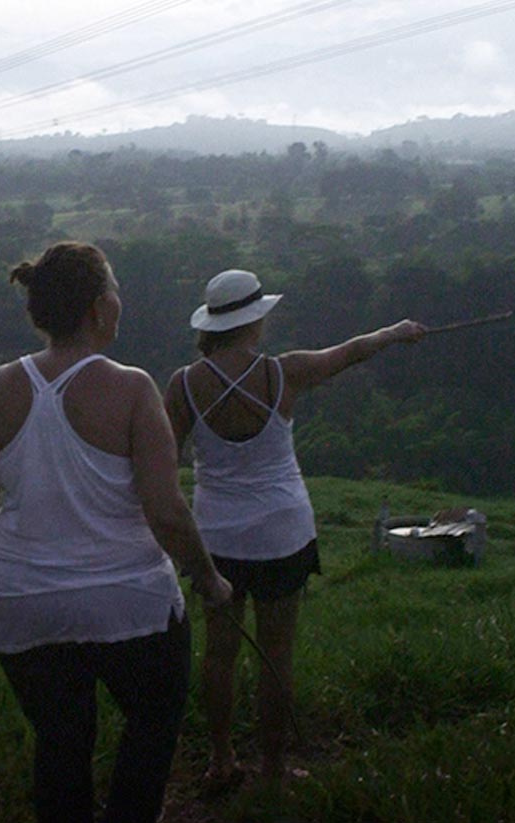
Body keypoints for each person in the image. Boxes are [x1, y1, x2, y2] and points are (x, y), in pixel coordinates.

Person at [0, 241, 233, 823]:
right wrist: (208, 578)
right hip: (126, 597)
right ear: (101, 308)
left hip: (19, 599)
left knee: (61, 739)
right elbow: (166, 510)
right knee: (153, 722)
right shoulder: (130, 388)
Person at [164, 268, 424, 785]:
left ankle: (221, 760)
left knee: (219, 652)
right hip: (283, 533)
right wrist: (395, 332)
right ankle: (275, 767)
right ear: (255, 320)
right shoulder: (286, 373)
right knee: (277, 652)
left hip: (216, 537)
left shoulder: (185, 384)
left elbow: (163, 464)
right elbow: (350, 352)